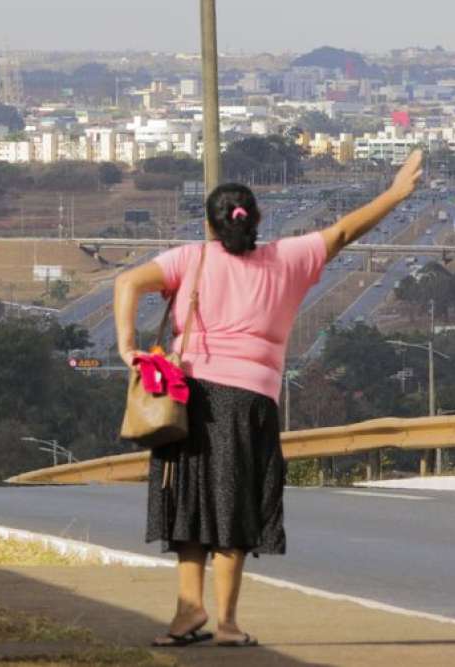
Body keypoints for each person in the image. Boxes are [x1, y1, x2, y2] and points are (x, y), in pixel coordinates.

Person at [112, 150, 423, 648]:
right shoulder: (286, 258)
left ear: (211, 226)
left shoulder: (190, 258)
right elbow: (344, 231)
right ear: (254, 221)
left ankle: (187, 614)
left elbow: (126, 281)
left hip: (187, 396)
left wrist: (128, 346)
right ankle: (228, 623)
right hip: (249, 403)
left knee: (188, 506)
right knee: (234, 508)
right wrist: (395, 193)